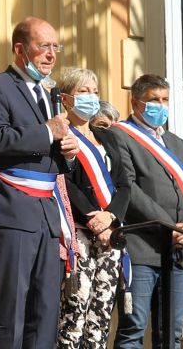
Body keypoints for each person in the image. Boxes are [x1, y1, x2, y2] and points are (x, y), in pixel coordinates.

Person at [0, 16, 80, 348]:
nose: (51, 54)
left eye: (55, 47)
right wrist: (49, 131)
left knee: (46, 310)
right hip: (14, 208)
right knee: (12, 310)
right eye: (42, 46)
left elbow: (54, 158)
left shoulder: (49, 94)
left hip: (47, 213)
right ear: (20, 49)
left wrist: (70, 152)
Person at [111, 74, 183, 348]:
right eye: (153, 100)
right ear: (135, 103)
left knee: (171, 332)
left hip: (177, 251)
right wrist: (169, 226)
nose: (160, 106)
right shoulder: (120, 134)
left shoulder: (175, 142)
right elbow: (128, 187)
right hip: (141, 247)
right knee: (133, 328)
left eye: (165, 100)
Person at [56, 68, 130, 348]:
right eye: (83, 92)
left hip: (110, 235)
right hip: (80, 234)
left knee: (100, 317)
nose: (91, 97)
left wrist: (111, 217)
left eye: (94, 91)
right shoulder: (60, 136)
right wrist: (93, 217)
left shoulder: (108, 136)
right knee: (75, 314)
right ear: (65, 99)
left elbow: (124, 183)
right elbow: (63, 181)